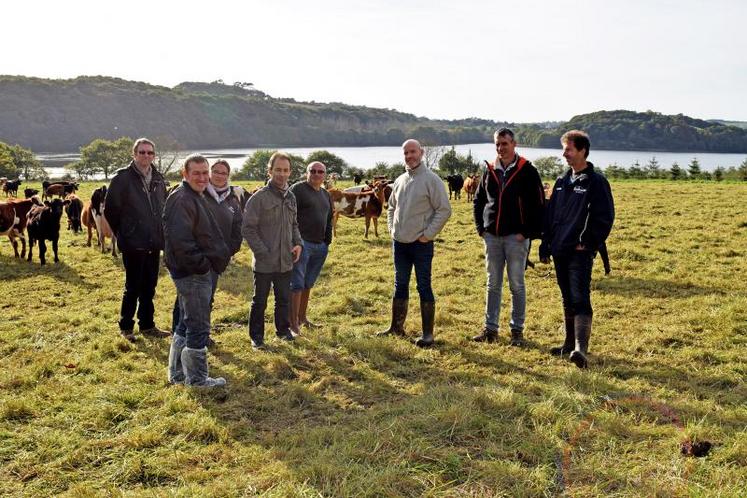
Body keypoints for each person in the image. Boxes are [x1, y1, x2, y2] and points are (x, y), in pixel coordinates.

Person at [539, 130, 615, 369]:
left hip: (579, 251)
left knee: (580, 296)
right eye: (564, 149)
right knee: (566, 297)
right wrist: (545, 243)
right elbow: (551, 216)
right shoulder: (562, 182)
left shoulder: (596, 182)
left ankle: (581, 349)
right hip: (559, 249)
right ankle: (568, 343)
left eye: (569, 149)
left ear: (582, 151)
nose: (565, 154)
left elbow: (605, 217)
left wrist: (588, 243)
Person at [472, 128, 545, 346]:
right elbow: (478, 201)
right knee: (492, 283)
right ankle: (490, 329)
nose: (500, 148)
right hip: (492, 237)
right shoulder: (489, 170)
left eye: (504, 143)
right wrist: (481, 228)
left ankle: (517, 331)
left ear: (514, 144)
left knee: (516, 284)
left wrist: (528, 233)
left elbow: (539, 205)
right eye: (497, 144)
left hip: (517, 238)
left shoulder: (528, 171)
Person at [163, 154, 230, 387]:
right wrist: (202, 267)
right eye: (196, 173)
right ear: (185, 174)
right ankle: (197, 379)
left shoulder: (193, 195)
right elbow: (181, 242)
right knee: (199, 324)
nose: (202, 177)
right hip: (192, 273)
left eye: (205, 172)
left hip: (191, 271)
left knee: (185, 321)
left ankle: (177, 373)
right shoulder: (182, 199)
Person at [378, 139, 451, 347]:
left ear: (421, 152)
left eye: (413, 152)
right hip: (399, 243)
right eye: (406, 153)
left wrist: (428, 234)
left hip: (421, 244)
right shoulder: (400, 180)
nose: (409, 156)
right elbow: (391, 207)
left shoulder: (432, 180)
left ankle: (428, 334)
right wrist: (392, 229)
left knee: (423, 286)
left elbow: (444, 209)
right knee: (399, 284)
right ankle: (396, 327)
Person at [171, 159, 243, 344]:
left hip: (215, 260)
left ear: (228, 176)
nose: (219, 176)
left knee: (207, 299)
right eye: (216, 172)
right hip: (197, 261)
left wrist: (226, 253)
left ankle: (202, 334)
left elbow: (237, 229)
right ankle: (183, 338)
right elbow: (183, 234)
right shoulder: (199, 195)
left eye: (224, 173)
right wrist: (201, 261)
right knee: (186, 304)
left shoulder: (232, 199)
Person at [104, 138, 168, 342]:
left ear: (154, 155)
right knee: (133, 286)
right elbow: (111, 210)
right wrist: (125, 233)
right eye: (142, 152)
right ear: (134, 154)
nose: (146, 156)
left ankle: (148, 325)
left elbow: (162, 208)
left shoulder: (158, 178)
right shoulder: (122, 179)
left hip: (154, 241)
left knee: (150, 285)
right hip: (133, 242)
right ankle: (126, 326)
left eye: (150, 153)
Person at [242, 152, 303, 350]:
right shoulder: (258, 198)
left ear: (290, 172)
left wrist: (298, 244)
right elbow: (248, 229)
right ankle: (257, 337)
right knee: (259, 301)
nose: (282, 174)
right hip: (264, 261)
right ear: (269, 171)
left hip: (286, 259)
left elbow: (294, 224)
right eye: (278, 170)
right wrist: (262, 251)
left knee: (283, 299)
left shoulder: (291, 197)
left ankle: (283, 331)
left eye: (286, 170)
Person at [288, 161, 333, 336]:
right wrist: (295, 241)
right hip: (302, 244)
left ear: (325, 175)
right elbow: (289, 215)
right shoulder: (298, 189)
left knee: (308, 283)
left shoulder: (325, 194)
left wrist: (326, 241)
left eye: (320, 171)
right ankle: (292, 325)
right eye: (312, 171)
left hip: (320, 245)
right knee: (297, 283)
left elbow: (329, 218)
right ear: (307, 173)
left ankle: (302, 318)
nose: (316, 174)